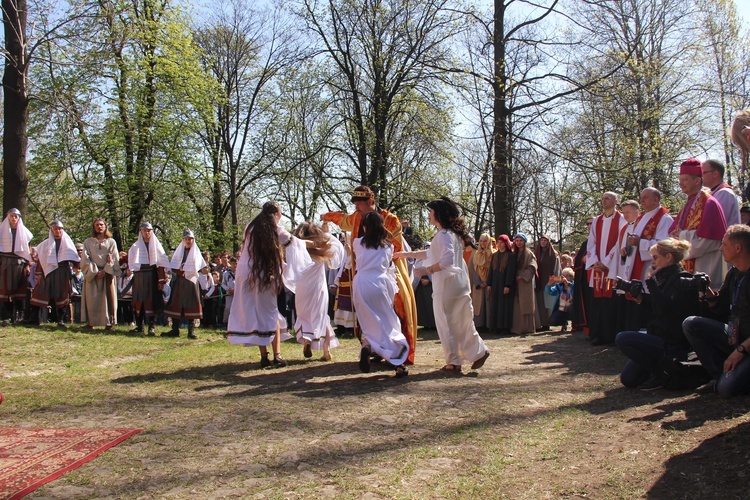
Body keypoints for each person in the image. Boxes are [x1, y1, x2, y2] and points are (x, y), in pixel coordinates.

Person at [322, 185, 417, 365]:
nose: (357, 207)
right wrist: (327, 216)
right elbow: (342, 219)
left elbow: (397, 250)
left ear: (371, 202)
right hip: (378, 277)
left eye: (360, 204)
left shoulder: (390, 219)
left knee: (393, 313)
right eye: (355, 204)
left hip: (391, 274)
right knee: (383, 318)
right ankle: (384, 351)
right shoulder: (357, 218)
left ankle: (380, 348)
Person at [396, 197, 490, 373]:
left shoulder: (444, 235)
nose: (429, 215)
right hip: (458, 285)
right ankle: (479, 351)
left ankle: (453, 362)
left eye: (431, 212)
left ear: (438, 214)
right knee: (462, 322)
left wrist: (427, 270)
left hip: (447, 287)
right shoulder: (451, 235)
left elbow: (446, 261)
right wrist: (405, 254)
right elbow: (431, 252)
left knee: (447, 323)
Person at [615, 238, 702, 390]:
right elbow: (657, 311)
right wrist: (641, 299)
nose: (652, 263)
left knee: (623, 338)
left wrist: (650, 282)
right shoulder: (663, 279)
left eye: (655, 258)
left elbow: (668, 310)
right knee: (628, 379)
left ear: (668, 257)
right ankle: (659, 370)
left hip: (674, 344)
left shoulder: (683, 279)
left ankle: (661, 373)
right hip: (659, 338)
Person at [683, 224, 750, 396]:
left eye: (724, 244)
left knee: (726, 389)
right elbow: (720, 307)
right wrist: (708, 293)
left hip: (747, 344)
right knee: (691, 324)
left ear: (738, 248)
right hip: (735, 335)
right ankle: (718, 375)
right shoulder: (734, 273)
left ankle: (732, 374)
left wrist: (741, 351)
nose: (720, 248)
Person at [227, 201, 292, 367]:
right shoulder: (276, 229)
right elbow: (292, 243)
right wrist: (314, 244)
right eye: (280, 214)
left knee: (257, 313)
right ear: (276, 214)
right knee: (270, 312)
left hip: (245, 272)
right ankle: (277, 355)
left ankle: (264, 356)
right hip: (263, 274)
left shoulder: (250, 226)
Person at [353, 211, 410, 377]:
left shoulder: (358, 243)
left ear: (365, 227)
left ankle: (367, 346)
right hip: (380, 282)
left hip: (362, 282)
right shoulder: (388, 246)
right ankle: (398, 363)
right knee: (388, 322)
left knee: (368, 322)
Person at [286, 221, 345, 361]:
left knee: (303, 315)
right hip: (319, 288)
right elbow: (336, 250)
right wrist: (326, 232)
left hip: (302, 288)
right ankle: (326, 351)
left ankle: (307, 338)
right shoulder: (320, 250)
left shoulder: (296, 250)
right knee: (322, 316)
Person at [668, 158, 727, 286]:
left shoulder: (709, 203)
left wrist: (681, 236)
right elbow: (673, 232)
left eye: (685, 180)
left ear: (697, 180)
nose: (681, 184)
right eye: (680, 180)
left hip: (704, 265)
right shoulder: (688, 203)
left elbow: (710, 240)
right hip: (687, 266)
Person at [586, 192, 627, 345]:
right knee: (598, 301)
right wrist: (596, 261)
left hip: (612, 266)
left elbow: (619, 243)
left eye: (608, 198)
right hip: (598, 268)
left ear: (616, 201)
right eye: (602, 198)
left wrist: (606, 262)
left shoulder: (622, 219)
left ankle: (610, 335)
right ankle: (597, 333)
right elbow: (592, 242)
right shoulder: (597, 220)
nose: (604, 201)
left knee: (610, 300)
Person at [31, 220, 80, 326]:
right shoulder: (44, 245)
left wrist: (78, 267)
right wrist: (39, 274)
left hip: (62, 272)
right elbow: (41, 260)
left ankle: (61, 320)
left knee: (62, 296)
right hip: (47, 271)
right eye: (55, 229)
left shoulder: (68, 244)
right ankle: (35, 319)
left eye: (60, 229)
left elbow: (74, 258)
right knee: (39, 293)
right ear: (51, 230)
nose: (58, 231)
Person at [162, 229, 206, 339]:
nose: (188, 241)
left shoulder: (196, 253)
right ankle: (175, 329)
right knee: (176, 305)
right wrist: (180, 271)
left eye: (190, 239)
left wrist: (187, 271)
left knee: (191, 305)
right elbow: (174, 266)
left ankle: (191, 331)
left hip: (191, 282)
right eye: (186, 239)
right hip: (180, 281)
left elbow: (198, 267)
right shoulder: (179, 252)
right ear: (183, 240)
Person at [128, 222, 170, 336]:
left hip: (152, 276)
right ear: (141, 232)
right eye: (144, 230)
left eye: (149, 230)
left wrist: (161, 280)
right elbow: (132, 264)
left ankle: (151, 327)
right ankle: (139, 326)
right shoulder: (135, 247)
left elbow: (161, 265)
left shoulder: (157, 246)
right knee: (139, 302)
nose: (147, 233)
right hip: (139, 277)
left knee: (152, 301)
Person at [80, 218, 121, 330]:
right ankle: (91, 323)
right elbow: (85, 258)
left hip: (107, 273)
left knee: (108, 299)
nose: (99, 227)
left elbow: (115, 257)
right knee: (92, 300)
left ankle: (109, 324)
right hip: (93, 274)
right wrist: (94, 272)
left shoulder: (111, 242)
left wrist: (107, 268)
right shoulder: (88, 242)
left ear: (105, 227)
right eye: (97, 225)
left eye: (101, 225)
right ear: (94, 227)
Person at [0, 208, 33, 326]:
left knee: (20, 290)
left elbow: (27, 251)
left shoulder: (25, 233)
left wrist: (28, 265)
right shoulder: (1, 231)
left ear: (19, 218)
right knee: (5, 291)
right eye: (11, 216)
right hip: (5, 263)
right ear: (8, 217)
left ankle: (19, 316)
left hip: (20, 264)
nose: (13, 218)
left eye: (15, 216)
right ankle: (7, 316)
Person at [486, 234, 515, 334]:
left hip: (504, 284)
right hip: (495, 283)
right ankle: (495, 327)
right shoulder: (495, 255)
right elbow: (491, 271)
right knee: (495, 304)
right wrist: (489, 284)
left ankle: (504, 327)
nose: (499, 244)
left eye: (502, 242)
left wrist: (507, 285)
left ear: (506, 243)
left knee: (504, 306)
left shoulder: (510, 256)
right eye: (498, 242)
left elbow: (510, 272)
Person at [511, 233, 538, 335]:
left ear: (524, 242)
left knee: (526, 304)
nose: (518, 243)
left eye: (520, 241)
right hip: (516, 282)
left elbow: (532, 267)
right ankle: (516, 327)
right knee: (517, 304)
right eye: (517, 241)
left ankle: (526, 328)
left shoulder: (529, 253)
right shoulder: (514, 253)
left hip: (525, 282)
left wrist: (522, 276)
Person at [702, 159, 740, 227]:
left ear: (715, 174)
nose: (701, 176)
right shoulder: (714, 193)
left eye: (703, 173)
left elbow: (714, 223)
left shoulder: (725, 193)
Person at [534, 235, 560, 332]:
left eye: (545, 240)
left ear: (548, 242)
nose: (543, 242)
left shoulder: (553, 255)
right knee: (541, 303)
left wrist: (555, 280)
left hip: (549, 282)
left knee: (548, 303)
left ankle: (548, 323)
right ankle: (542, 323)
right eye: (541, 240)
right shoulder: (537, 253)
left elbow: (557, 269)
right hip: (539, 282)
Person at [469, 233, 494, 331]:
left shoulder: (493, 254)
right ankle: (480, 325)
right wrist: (479, 282)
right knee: (478, 305)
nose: (483, 243)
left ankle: (489, 325)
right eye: (481, 241)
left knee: (489, 304)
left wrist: (488, 282)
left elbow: (494, 270)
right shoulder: (476, 254)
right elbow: (474, 269)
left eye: (485, 241)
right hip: (479, 283)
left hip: (489, 283)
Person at [571, 219, 592, 333]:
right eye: (587, 224)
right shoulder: (586, 242)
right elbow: (579, 260)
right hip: (584, 277)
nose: (589, 226)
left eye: (591, 223)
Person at [412, 242, 436, 329]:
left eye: (429, 247)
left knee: (431, 305)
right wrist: (420, 279)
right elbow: (415, 271)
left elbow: (436, 272)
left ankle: (433, 324)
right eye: (426, 247)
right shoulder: (419, 259)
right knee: (422, 305)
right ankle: (425, 323)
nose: (427, 249)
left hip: (431, 286)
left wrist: (429, 280)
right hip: (420, 285)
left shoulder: (435, 259)